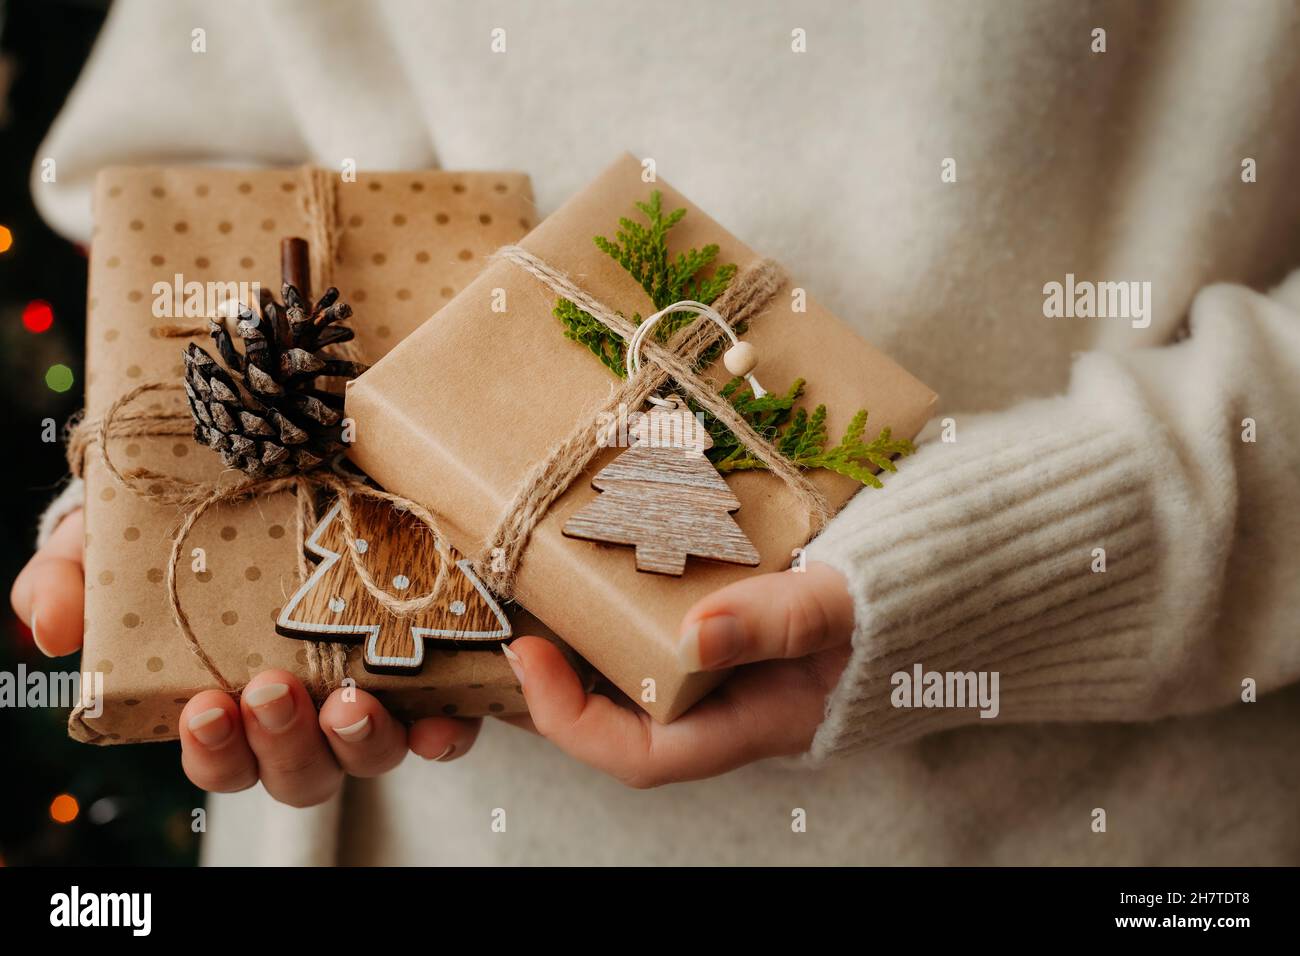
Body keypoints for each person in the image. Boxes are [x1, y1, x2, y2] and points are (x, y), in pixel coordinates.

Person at [11, 0, 1300, 865]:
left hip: (1110, 827)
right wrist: (161, 492)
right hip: (425, 825)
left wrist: (1078, 534)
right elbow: (186, 182)